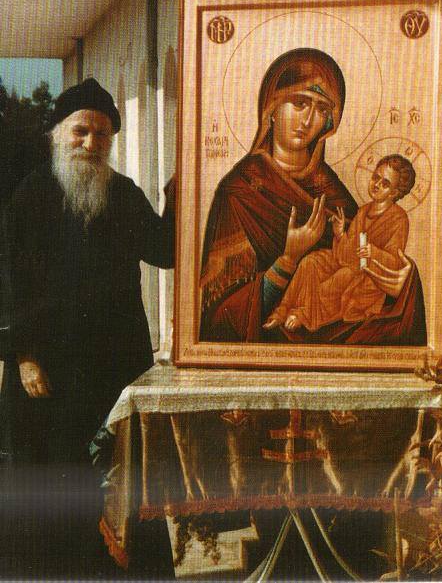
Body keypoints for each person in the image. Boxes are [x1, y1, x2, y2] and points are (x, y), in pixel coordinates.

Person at [1, 78, 176, 578]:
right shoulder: (31, 195)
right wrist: (23, 355)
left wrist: (178, 195)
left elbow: (164, 250)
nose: (90, 142)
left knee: (116, 477)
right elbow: (8, 278)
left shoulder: (123, 194)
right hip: (47, 372)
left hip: (113, 367)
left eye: (102, 134)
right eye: (80, 131)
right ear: (57, 133)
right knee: (53, 479)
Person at [199, 48, 358, 342]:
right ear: (271, 108)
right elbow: (222, 314)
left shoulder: (334, 195)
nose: (308, 119)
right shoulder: (239, 191)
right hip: (266, 337)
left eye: (322, 110)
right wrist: (289, 258)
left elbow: (360, 275)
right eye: (300, 103)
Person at [265, 154, 418, 334]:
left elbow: (395, 261)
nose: (376, 184)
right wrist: (340, 234)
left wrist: (374, 253)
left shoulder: (399, 219)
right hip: (352, 264)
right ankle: (283, 310)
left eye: (385, 183)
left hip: (370, 277)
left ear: (394, 192)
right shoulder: (363, 211)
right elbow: (345, 255)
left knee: (340, 277)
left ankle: (304, 314)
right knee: (311, 261)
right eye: (376, 177)